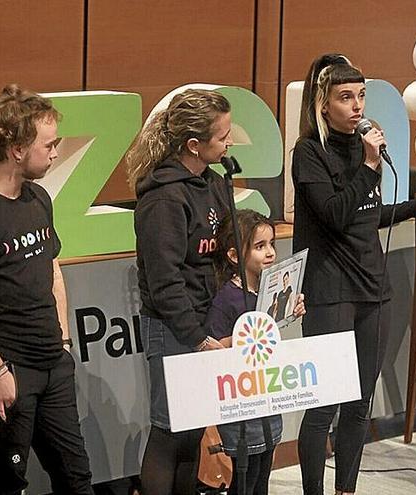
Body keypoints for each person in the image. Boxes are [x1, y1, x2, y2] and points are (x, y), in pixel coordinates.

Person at [292, 53, 416, 495]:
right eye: (345, 98)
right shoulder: (308, 153)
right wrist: (370, 166)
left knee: (359, 402)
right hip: (328, 290)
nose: (357, 106)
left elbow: (366, 215)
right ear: (323, 105)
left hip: (371, 288)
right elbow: (337, 215)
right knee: (323, 407)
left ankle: (346, 490)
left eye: (361, 96)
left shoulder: (363, 151)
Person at [0, 84, 94, 494]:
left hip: (52, 365)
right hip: (6, 371)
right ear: (16, 149)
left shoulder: (38, 198)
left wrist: (62, 342)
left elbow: (53, 272)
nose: (55, 152)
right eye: (48, 144)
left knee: (77, 478)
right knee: (7, 481)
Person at [128, 88, 233, 495]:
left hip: (206, 320)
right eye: (222, 137)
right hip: (175, 327)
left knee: (193, 430)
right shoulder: (164, 198)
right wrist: (198, 338)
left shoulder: (214, 184)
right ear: (193, 144)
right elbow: (164, 281)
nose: (229, 144)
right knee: (170, 428)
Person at [204, 209, 306, 494]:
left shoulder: (267, 292)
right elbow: (213, 347)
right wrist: (235, 343)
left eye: (271, 244)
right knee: (245, 478)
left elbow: (268, 334)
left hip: (266, 396)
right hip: (241, 403)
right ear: (235, 256)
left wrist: (291, 311)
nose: (270, 252)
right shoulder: (227, 298)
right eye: (260, 246)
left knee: (263, 472)